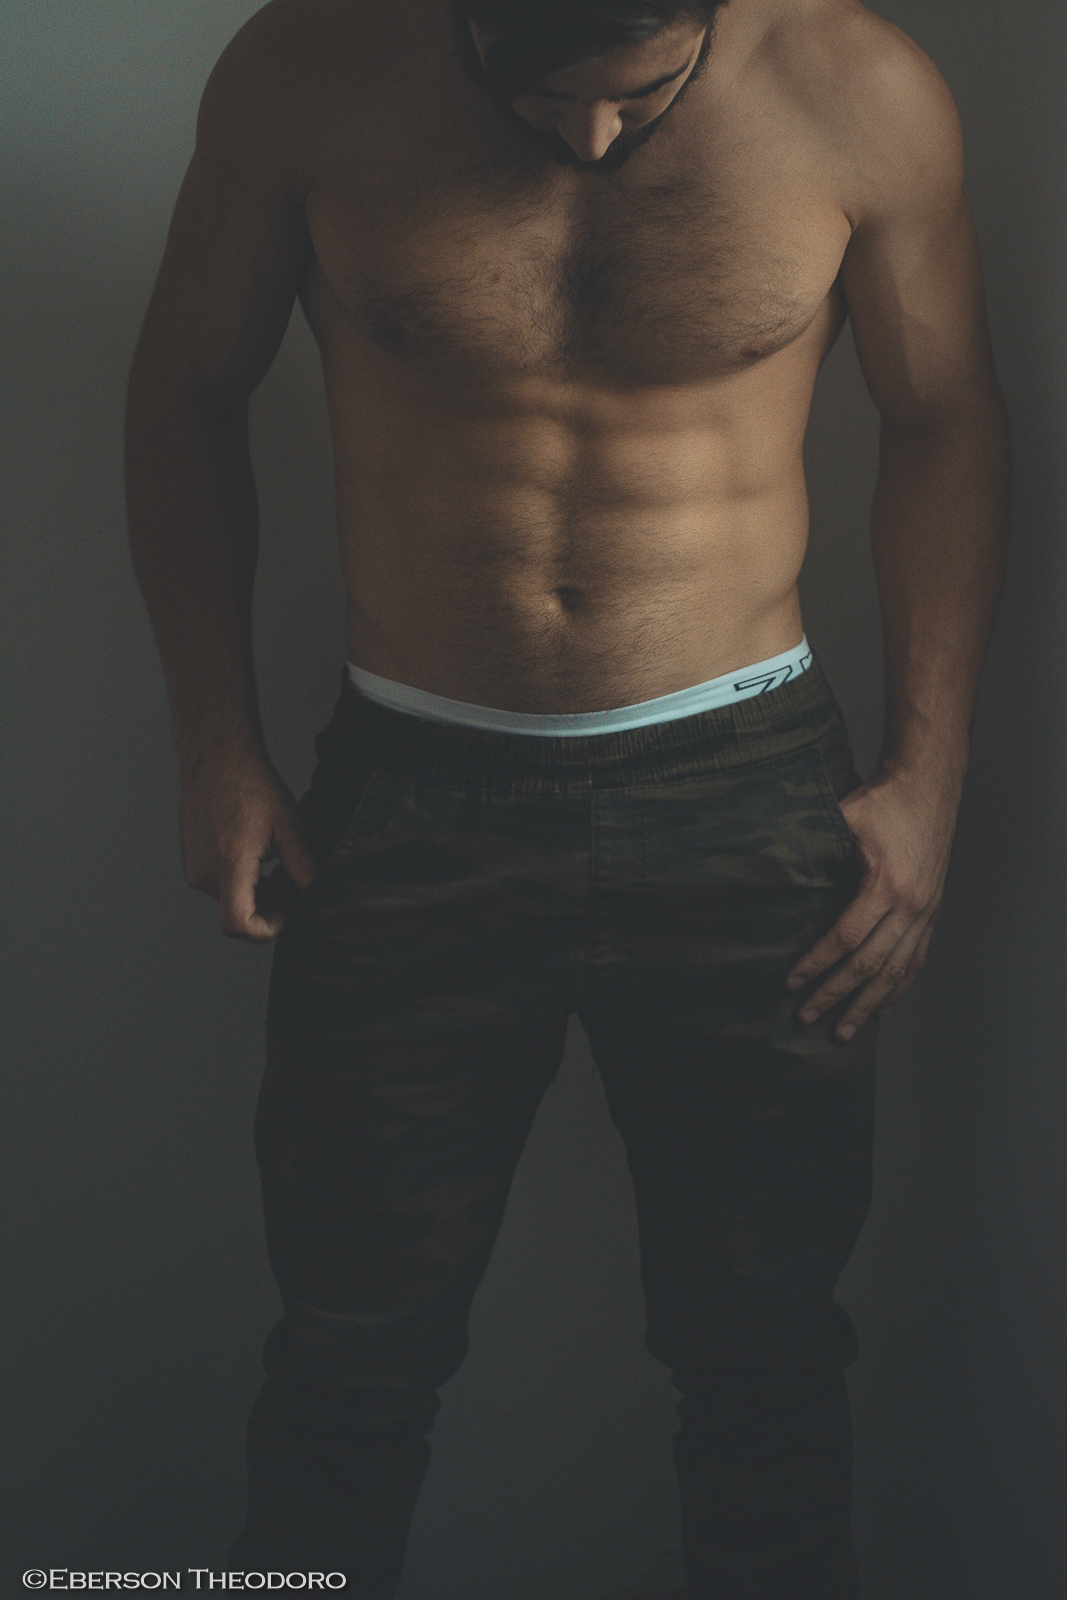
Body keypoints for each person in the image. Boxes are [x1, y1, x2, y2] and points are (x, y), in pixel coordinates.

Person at [125, 1, 1009, 1594]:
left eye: (640, 97)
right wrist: (214, 744)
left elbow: (943, 416)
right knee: (347, 1355)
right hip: (409, 800)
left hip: (749, 799)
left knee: (768, 1356)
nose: (592, 143)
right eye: (539, 99)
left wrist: (929, 777)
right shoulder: (308, 69)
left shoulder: (858, 89)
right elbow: (184, 390)